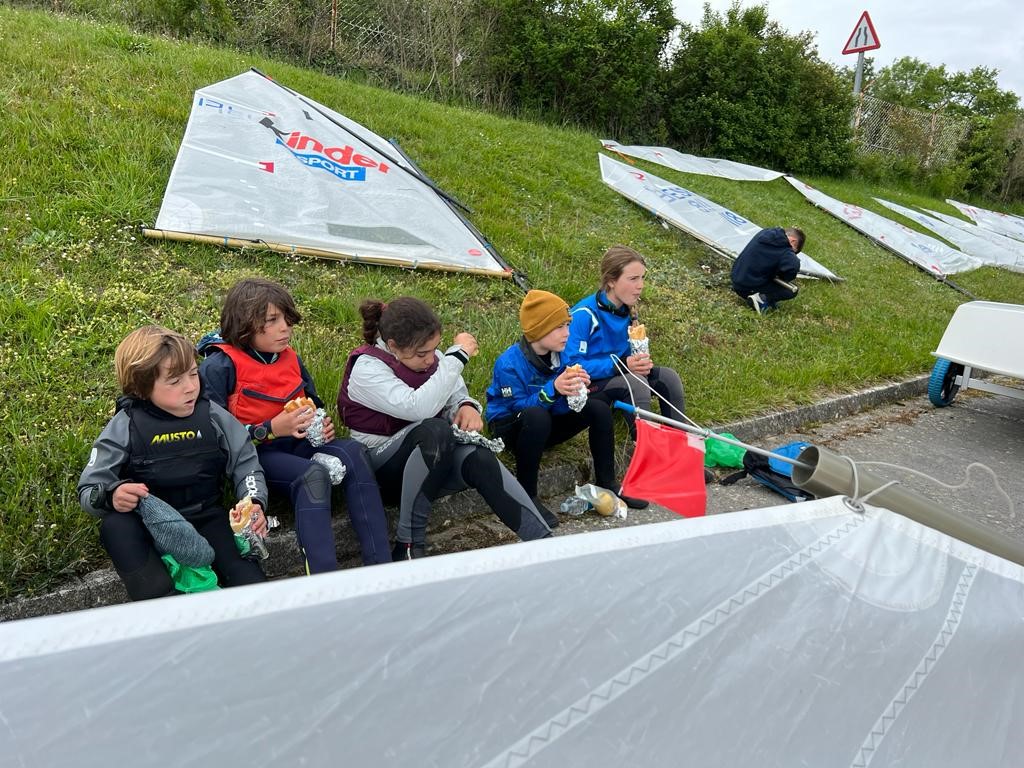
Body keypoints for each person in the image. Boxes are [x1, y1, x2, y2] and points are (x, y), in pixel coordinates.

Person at [198, 278, 391, 571]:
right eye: (272, 320)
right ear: (244, 323)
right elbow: (214, 437)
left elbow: (313, 400)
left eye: (287, 319)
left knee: (354, 452)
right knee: (312, 475)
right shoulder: (219, 365)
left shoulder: (288, 357)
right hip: (259, 455)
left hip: (301, 443)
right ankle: (324, 577)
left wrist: (322, 422)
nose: (285, 327)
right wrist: (270, 428)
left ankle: (382, 566)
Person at [337, 296, 552, 559]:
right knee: (434, 430)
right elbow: (418, 408)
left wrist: (466, 406)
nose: (430, 360)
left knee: (478, 456)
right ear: (392, 345)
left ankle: (545, 542)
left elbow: (454, 394)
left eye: (435, 349)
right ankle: (408, 546)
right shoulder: (367, 367)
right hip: (380, 468)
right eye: (421, 354)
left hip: (431, 458)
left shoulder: (433, 357)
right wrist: (458, 356)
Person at [78, 325, 268, 600]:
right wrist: (112, 495)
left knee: (255, 591)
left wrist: (254, 502)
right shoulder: (126, 425)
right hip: (149, 527)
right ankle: (161, 601)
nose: (190, 386)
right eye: (174, 381)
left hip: (205, 517)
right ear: (141, 386)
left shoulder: (212, 416)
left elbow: (246, 463)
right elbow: (90, 489)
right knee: (115, 526)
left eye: (193, 373)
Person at [487, 289, 645, 516]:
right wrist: (552, 390)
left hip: (543, 424)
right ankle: (527, 496)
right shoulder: (509, 363)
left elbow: (561, 405)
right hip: (510, 428)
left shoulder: (562, 356)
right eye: (560, 327)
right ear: (539, 329)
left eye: (568, 326)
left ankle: (608, 483)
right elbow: (518, 408)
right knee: (536, 416)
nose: (568, 333)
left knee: (598, 408)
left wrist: (576, 391)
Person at [564, 245, 686, 439]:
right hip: (591, 387)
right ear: (611, 281)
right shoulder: (583, 315)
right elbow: (570, 365)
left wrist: (640, 363)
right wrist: (620, 365)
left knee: (668, 378)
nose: (640, 285)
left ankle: (682, 444)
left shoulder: (627, 311)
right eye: (633, 279)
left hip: (621, 375)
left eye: (642, 278)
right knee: (635, 383)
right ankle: (649, 451)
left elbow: (626, 356)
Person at [731, 226, 804, 314]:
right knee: (791, 290)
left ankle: (765, 299)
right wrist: (781, 274)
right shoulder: (786, 251)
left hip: (736, 281)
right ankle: (760, 299)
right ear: (793, 241)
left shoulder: (765, 232)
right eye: (795, 251)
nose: (793, 253)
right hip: (748, 288)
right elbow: (792, 269)